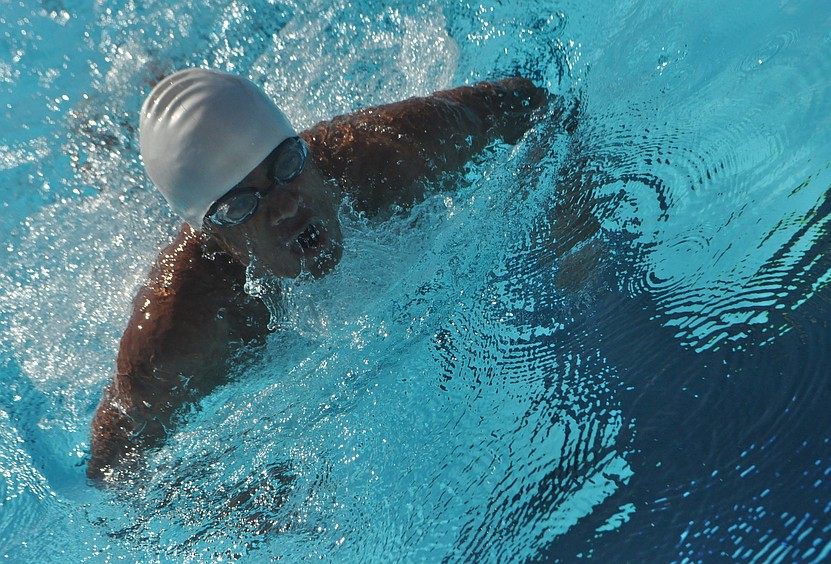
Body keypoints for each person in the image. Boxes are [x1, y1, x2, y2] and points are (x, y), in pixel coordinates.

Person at [87, 68, 549, 482]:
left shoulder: (380, 155)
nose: (286, 205)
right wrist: (238, 505)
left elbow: (528, 101)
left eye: (287, 166)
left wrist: (566, 236)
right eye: (242, 205)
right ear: (213, 236)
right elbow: (111, 471)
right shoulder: (179, 331)